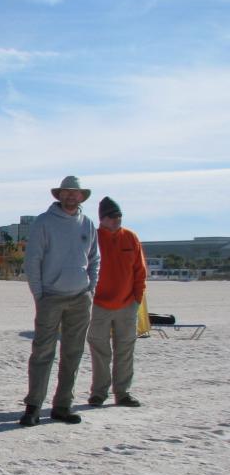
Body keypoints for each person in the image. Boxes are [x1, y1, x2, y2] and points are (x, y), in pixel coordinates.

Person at [19, 176, 100, 427]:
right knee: (42, 353)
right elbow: (33, 260)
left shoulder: (87, 224)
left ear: (82, 197)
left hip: (80, 298)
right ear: (59, 195)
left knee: (73, 353)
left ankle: (62, 406)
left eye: (75, 193)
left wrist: (91, 289)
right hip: (50, 297)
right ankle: (33, 406)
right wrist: (39, 294)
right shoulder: (44, 222)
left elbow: (95, 259)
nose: (71, 196)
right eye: (66, 192)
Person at [87, 197, 146, 408]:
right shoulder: (93, 238)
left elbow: (140, 271)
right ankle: (98, 393)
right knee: (99, 350)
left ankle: (122, 393)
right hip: (98, 305)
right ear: (102, 218)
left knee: (125, 349)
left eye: (119, 216)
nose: (116, 219)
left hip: (127, 304)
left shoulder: (130, 237)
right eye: (111, 216)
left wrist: (137, 298)